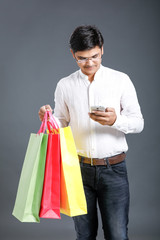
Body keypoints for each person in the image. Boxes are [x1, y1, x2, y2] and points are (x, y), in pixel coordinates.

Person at [39, 25, 144, 240]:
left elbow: (138, 123)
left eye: (95, 56)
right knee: (84, 235)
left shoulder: (120, 80)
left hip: (114, 169)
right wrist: (48, 118)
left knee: (117, 235)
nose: (89, 63)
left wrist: (116, 120)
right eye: (82, 58)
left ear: (102, 49)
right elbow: (62, 122)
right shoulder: (65, 85)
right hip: (78, 170)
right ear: (73, 55)